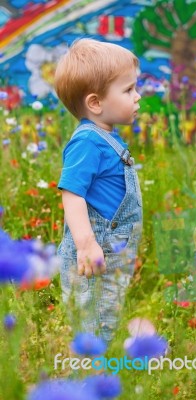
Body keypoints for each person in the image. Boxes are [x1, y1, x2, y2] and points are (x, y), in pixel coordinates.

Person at [54, 38, 143, 344]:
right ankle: (87, 377)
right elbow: (71, 193)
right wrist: (86, 243)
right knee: (92, 320)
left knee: (108, 312)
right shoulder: (87, 142)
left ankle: (101, 367)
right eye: (128, 90)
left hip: (113, 250)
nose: (138, 96)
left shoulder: (106, 137)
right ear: (95, 103)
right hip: (96, 251)